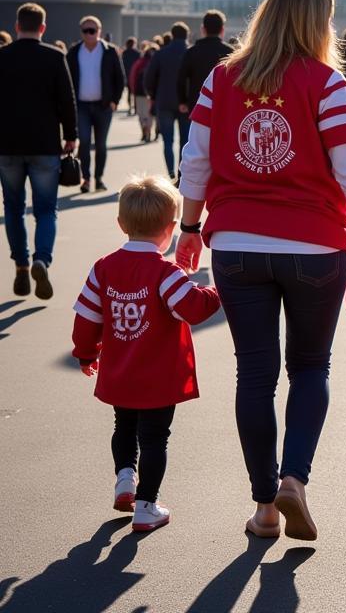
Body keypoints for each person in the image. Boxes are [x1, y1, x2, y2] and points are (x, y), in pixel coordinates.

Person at [175, 0, 346, 541]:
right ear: (320, 24)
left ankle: (265, 506)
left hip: (238, 243)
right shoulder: (326, 83)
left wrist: (189, 228)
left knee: (255, 374)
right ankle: (294, 478)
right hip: (315, 244)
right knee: (311, 366)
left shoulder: (222, 80)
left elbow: (195, 161)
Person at [72, 175, 221, 533]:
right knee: (155, 437)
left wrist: (86, 353)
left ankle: (125, 477)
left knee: (123, 425)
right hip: (157, 375)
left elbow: (86, 316)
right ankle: (146, 504)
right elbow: (193, 308)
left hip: (120, 369)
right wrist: (217, 290)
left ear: (121, 224)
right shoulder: (164, 272)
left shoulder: (103, 267)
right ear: (170, 229)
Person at [0, 3, 77, 299]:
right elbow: (66, 100)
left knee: (13, 208)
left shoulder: (2, 57)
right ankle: (41, 260)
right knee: (46, 210)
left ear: (17, 26)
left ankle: (20, 265)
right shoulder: (55, 57)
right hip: (45, 144)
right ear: (42, 28)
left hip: (7, 145)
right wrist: (71, 136)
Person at [69, 15, 125, 193]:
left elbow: (120, 78)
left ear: (99, 31)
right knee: (84, 142)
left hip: (103, 106)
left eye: (92, 30)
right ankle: (85, 179)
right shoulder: (74, 51)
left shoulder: (109, 51)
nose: (89, 34)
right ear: (81, 32)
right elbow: (67, 78)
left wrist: (114, 101)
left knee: (101, 144)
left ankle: (99, 178)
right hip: (82, 106)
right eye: (86, 31)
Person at [145, 22, 191, 177]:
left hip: (164, 101)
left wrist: (152, 95)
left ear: (172, 35)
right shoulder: (190, 52)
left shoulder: (161, 53)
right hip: (186, 102)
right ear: (187, 35)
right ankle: (181, 173)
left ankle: (171, 172)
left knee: (168, 141)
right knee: (185, 142)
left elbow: (149, 78)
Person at [177, 10, 233, 116]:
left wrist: (182, 101)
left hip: (197, 104)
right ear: (222, 30)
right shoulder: (231, 53)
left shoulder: (191, 52)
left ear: (203, 29)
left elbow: (181, 79)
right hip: (224, 105)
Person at [131, 44, 155, 143]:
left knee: (141, 114)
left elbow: (132, 77)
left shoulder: (139, 62)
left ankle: (143, 130)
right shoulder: (155, 63)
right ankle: (148, 130)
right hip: (152, 93)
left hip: (139, 92)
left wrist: (133, 90)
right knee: (150, 114)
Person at [121, 38, 141, 115]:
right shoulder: (137, 53)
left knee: (129, 92)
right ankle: (135, 108)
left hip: (127, 74)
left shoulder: (124, 53)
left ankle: (130, 107)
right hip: (136, 75)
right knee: (135, 93)